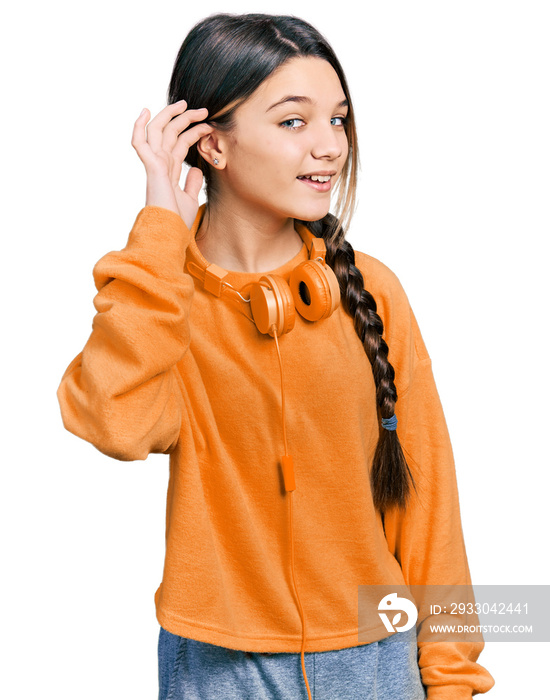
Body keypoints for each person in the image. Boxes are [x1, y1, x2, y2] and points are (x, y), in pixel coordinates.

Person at [57, 13, 495, 700]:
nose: (329, 146)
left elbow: (429, 502)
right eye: (294, 122)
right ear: (212, 146)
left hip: (375, 661)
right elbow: (116, 423)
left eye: (338, 119)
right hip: (219, 668)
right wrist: (159, 234)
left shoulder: (373, 291)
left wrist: (453, 678)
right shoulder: (161, 300)